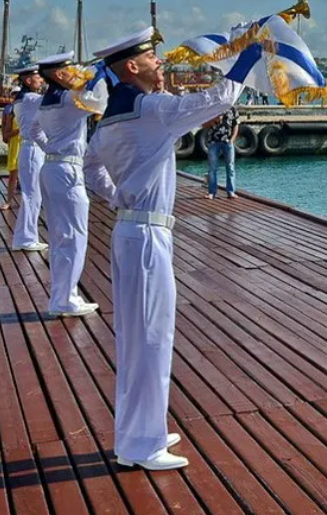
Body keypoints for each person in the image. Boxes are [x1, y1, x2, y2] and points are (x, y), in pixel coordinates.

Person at [82, 26, 255, 471]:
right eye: (154, 59)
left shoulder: (112, 117)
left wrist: (118, 195)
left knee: (140, 338)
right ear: (133, 66)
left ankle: (143, 432)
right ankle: (142, 446)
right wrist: (248, 59)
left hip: (132, 231)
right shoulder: (151, 110)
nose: (161, 63)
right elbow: (214, 101)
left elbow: (90, 167)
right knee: (152, 338)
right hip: (146, 237)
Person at [31, 52, 106, 317]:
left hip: (51, 167)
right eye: (70, 70)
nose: (75, 72)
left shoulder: (46, 102)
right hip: (67, 169)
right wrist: (98, 76)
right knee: (74, 236)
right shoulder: (68, 100)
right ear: (61, 75)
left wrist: (51, 148)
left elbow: (33, 131)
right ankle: (66, 299)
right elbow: (100, 105)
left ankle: (61, 296)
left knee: (59, 237)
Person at [11, 64, 48, 252]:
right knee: (32, 195)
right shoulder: (31, 99)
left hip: (31, 149)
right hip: (33, 149)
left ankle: (25, 236)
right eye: (38, 76)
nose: (41, 79)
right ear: (28, 80)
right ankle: (25, 238)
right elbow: (56, 103)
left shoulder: (22, 99)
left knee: (33, 195)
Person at [202, 105, 238, 199]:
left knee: (230, 167)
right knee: (212, 168)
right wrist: (214, 120)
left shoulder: (232, 109)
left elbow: (236, 124)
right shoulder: (212, 107)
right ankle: (212, 192)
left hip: (228, 142)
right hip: (214, 142)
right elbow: (203, 125)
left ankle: (231, 191)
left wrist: (232, 139)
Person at [2, 86, 22, 210]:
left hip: (30, 146)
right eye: (14, 95)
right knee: (13, 176)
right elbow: (6, 134)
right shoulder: (11, 113)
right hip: (16, 146)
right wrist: (19, 131)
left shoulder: (30, 111)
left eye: (18, 95)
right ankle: (8, 201)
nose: (16, 97)